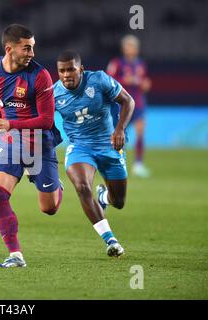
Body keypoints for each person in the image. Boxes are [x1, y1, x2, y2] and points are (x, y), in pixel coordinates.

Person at [0, 24, 63, 268]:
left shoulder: (40, 76)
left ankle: (56, 187)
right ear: (10, 49)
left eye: (33, 47)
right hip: (11, 141)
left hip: (40, 143)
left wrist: (10, 124)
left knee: (48, 209)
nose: (32, 53)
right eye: (27, 48)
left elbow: (47, 121)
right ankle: (15, 255)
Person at [54, 50, 135, 257]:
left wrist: (120, 129)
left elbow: (128, 101)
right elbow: (44, 123)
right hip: (80, 147)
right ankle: (110, 240)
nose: (66, 75)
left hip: (109, 145)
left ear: (80, 69)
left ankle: (103, 196)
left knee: (118, 202)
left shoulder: (98, 80)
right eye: (61, 71)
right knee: (82, 186)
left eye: (70, 69)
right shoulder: (53, 94)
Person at [107, 34, 152, 178]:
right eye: (128, 46)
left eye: (133, 46)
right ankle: (118, 161)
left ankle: (138, 164)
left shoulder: (141, 64)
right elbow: (108, 80)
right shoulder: (117, 63)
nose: (131, 49)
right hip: (121, 105)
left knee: (140, 132)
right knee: (121, 135)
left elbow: (144, 81)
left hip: (138, 103)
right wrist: (126, 79)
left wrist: (145, 84)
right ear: (124, 48)